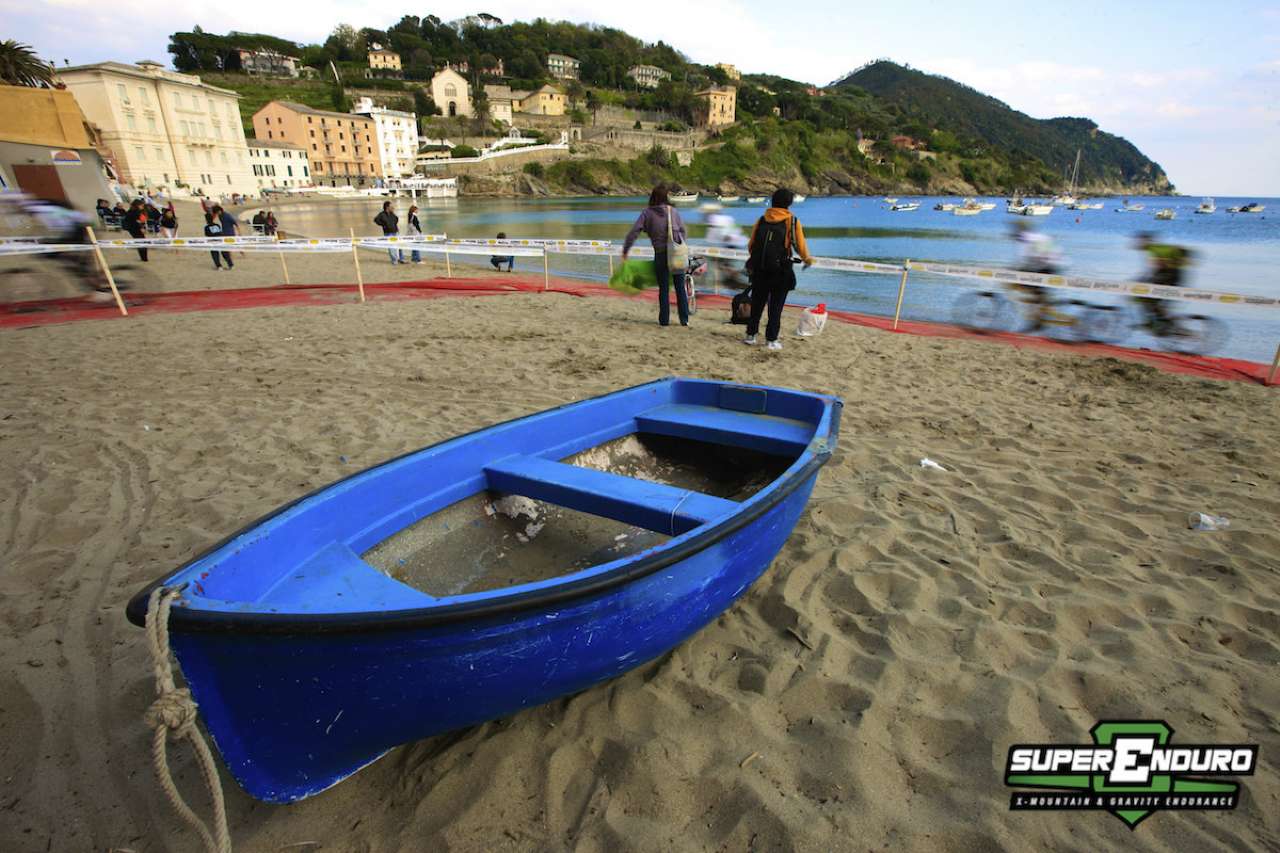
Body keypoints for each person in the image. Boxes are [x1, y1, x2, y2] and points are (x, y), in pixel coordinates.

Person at [743, 188, 814, 350]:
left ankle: (750, 335)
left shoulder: (762, 219)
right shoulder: (792, 221)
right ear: (789, 203)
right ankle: (771, 340)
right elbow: (799, 245)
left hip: (760, 269)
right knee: (776, 306)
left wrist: (760, 260)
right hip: (781, 270)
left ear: (773, 201)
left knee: (757, 303)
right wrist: (807, 259)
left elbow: (751, 245)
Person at [622, 184, 690, 326]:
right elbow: (683, 231)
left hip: (660, 254)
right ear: (666, 197)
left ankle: (664, 321)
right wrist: (679, 244)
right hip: (676, 254)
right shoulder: (673, 211)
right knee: (680, 287)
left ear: (652, 197)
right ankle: (684, 320)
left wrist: (625, 250)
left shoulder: (647, 213)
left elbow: (634, 232)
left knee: (663, 289)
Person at [1134, 232, 1192, 334]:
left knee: (1145, 297)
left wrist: (1145, 279)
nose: (1136, 243)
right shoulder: (1154, 249)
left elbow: (1161, 266)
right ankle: (1158, 322)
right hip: (1171, 276)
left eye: (1139, 241)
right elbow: (1157, 269)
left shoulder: (1155, 249)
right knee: (1150, 300)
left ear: (1145, 241)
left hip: (1170, 277)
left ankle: (1159, 324)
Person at [1011, 220, 1062, 332]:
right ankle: (1041, 310)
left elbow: (1025, 258)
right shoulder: (1038, 236)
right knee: (1035, 291)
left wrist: (1014, 269)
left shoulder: (1025, 238)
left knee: (1030, 290)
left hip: (1045, 267)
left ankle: (1038, 320)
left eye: (1015, 230)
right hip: (1053, 265)